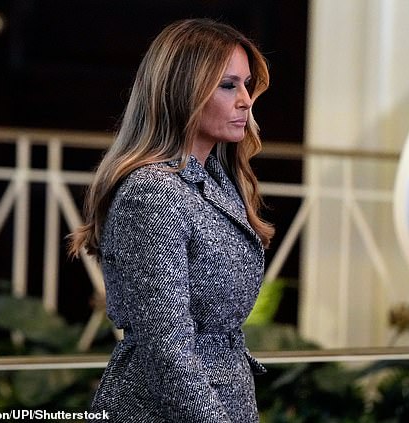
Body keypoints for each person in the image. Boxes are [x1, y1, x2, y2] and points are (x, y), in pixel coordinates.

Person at [68, 18, 274, 423]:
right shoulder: (154, 192)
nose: (246, 100)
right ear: (183, 91)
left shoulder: (216, 177)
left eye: (247, 84)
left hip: (221, 396)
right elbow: (167, 348)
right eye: (228, 85)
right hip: (162, 408)